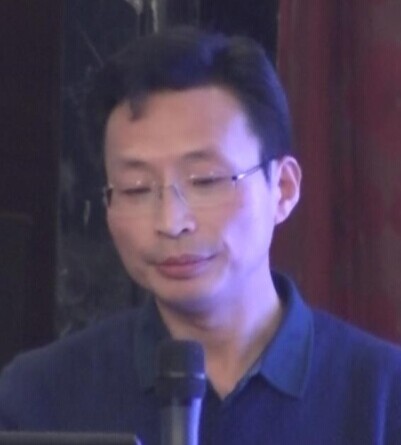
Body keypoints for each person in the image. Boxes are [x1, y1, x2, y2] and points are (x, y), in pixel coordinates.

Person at [0, 27, 400, 445]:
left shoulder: (384, 397)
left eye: (206, 181)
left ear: (283, 189)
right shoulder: (40, 396)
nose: (171, 222)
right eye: (136, 189)